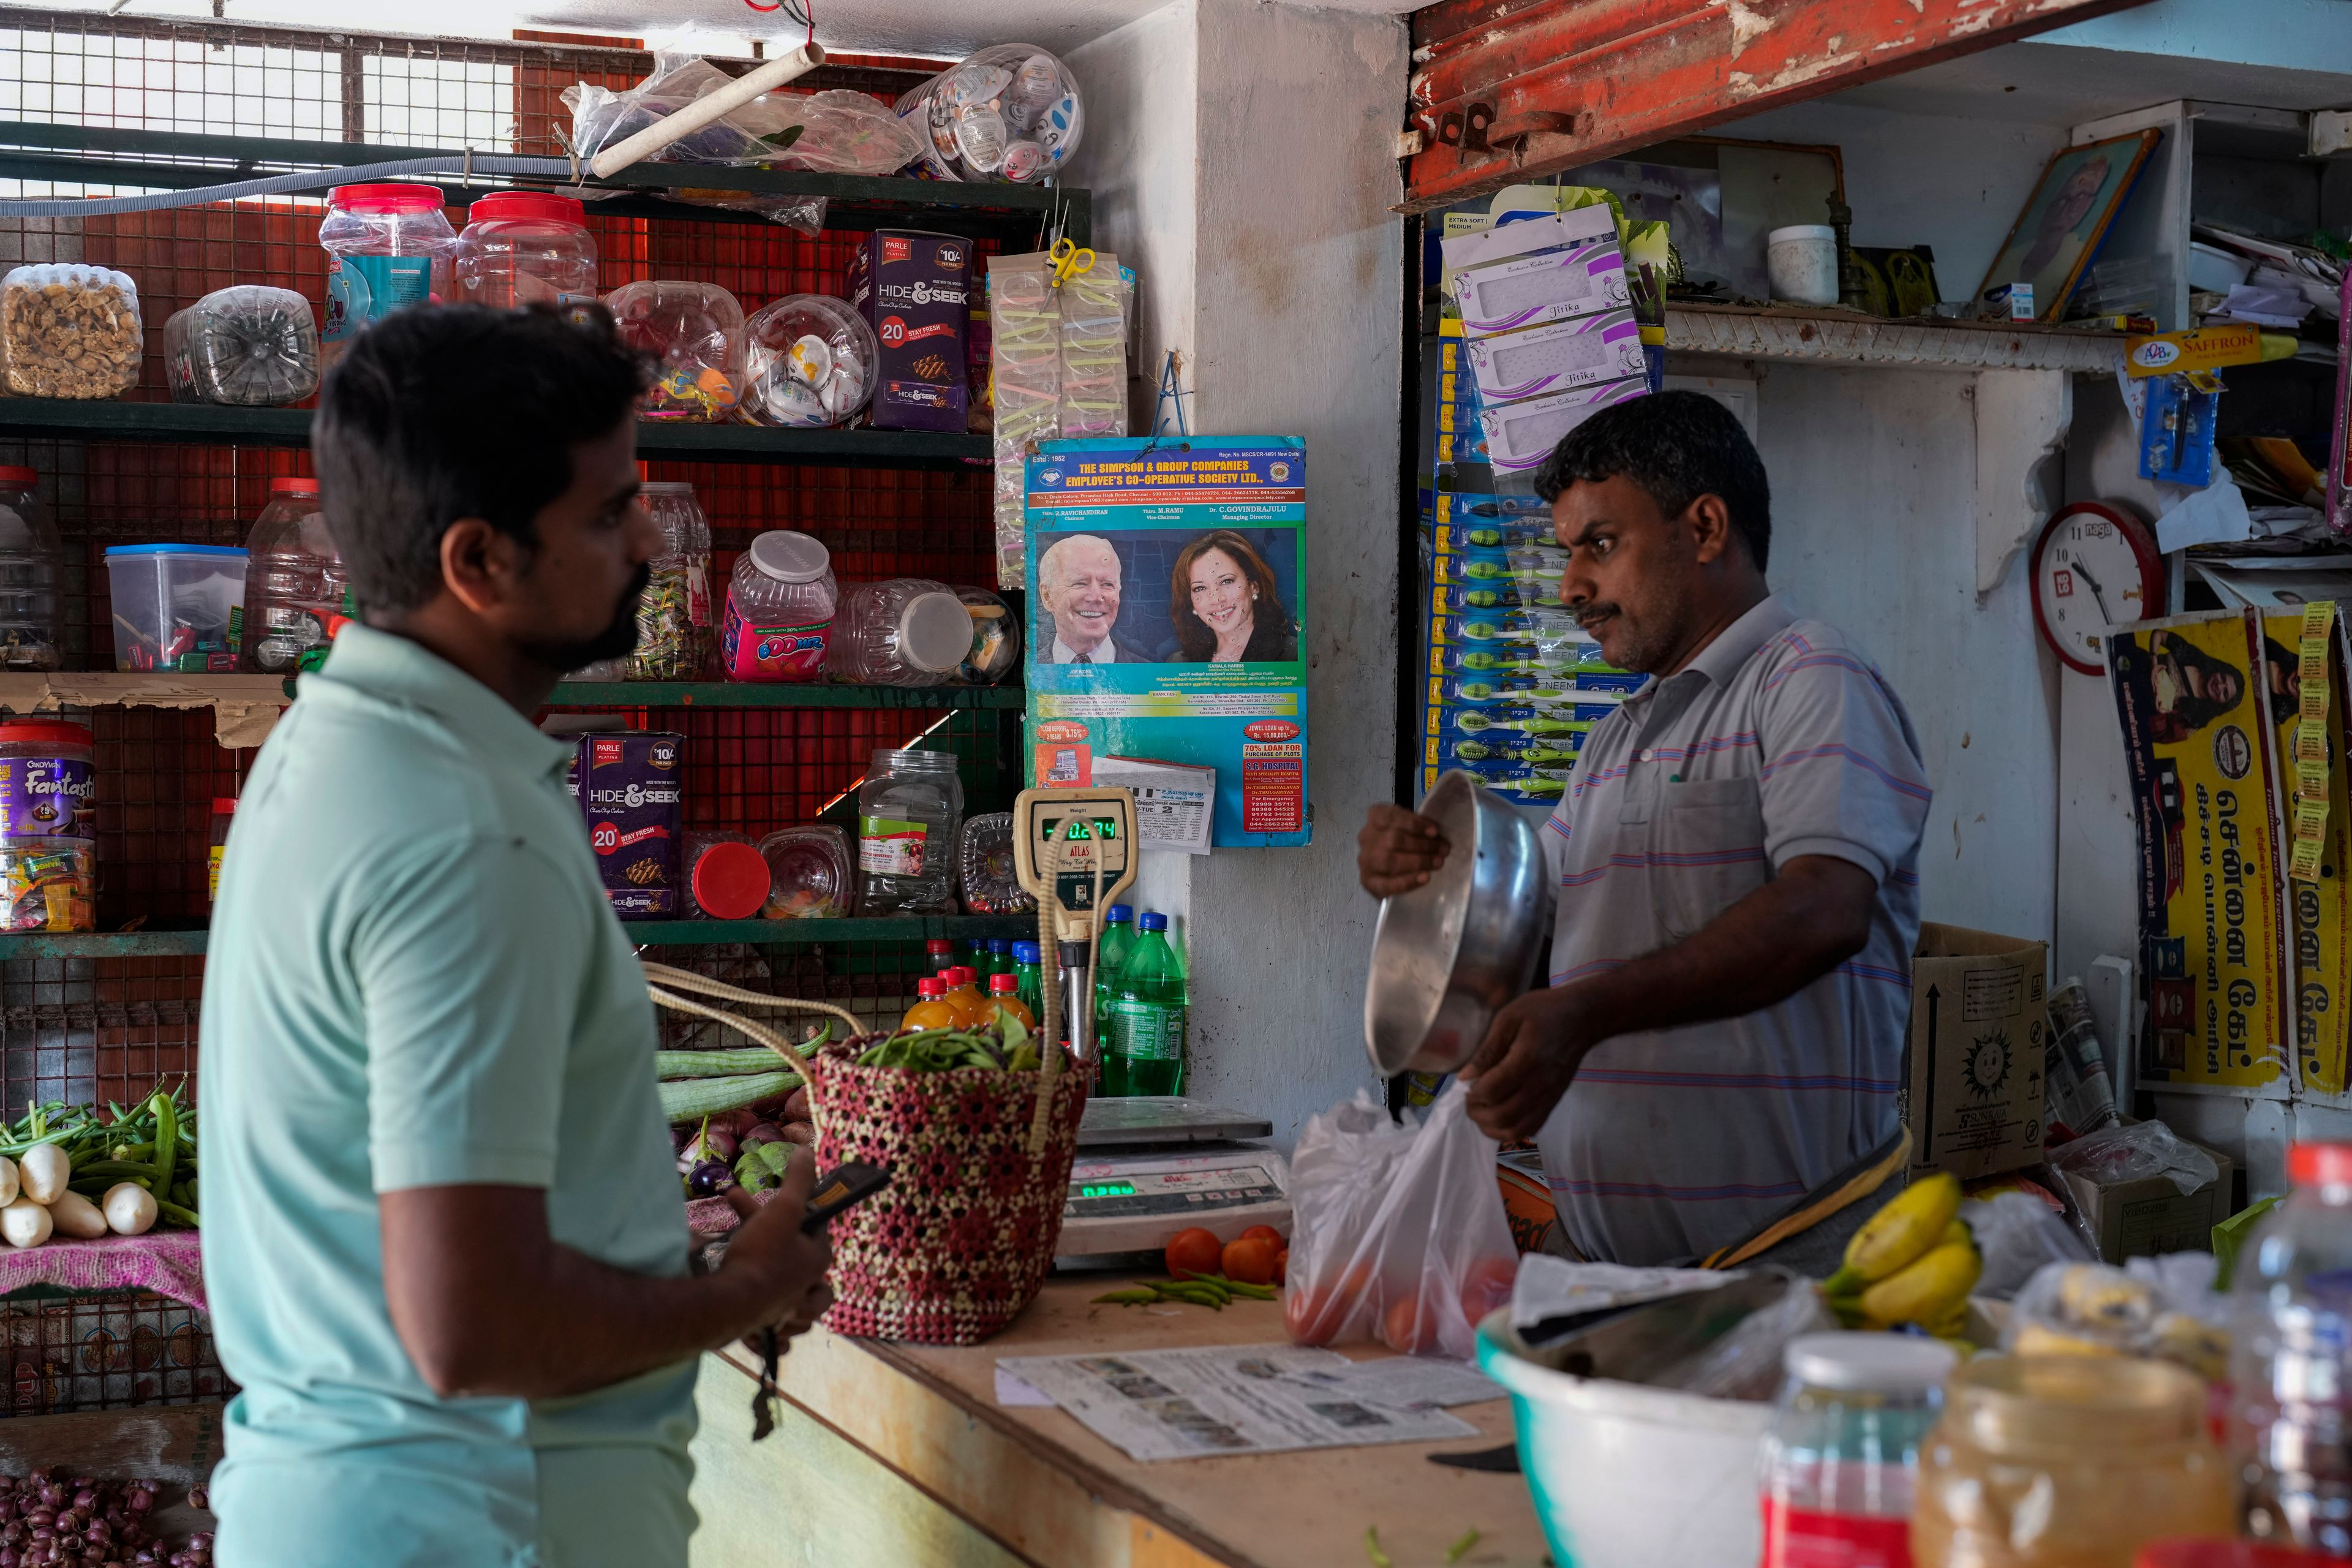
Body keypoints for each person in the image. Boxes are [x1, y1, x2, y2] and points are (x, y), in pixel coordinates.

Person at [200, 305, 836, 1568]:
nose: (649, 538)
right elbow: (471, 1326)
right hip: (476, 1521)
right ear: (479, 560)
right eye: (608, 514)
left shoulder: (337, 750)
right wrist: (739, 1291)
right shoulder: (458, 837)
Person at [1358, 391, 1932, 1268]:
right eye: (1566, 555)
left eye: (1599, 544)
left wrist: (1585, 1015)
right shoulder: (1614, 741)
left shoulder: (1810, 679)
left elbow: (1825, 911)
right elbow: (1526, 939)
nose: (1571, 587)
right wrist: (1430, 877)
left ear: (1703, 528)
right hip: (1609, 1269)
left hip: (1788, 1270)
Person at [1169, 529, 1297, 662]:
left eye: (1226, 581)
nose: (1217, 598)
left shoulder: (1292, 654)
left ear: (1254, 586)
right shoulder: (1178, 663)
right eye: (1200, 588)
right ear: (1192, 602)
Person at [1038, 532, 1155, 663]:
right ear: (1047, 596)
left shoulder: (1149, 674)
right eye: (1080, 583)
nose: (1096, 597)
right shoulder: (1028, 669)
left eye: (1107, 584)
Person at [2146, 627, 2247, 742]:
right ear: (2219, 670)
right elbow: (2158, 634)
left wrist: (2159, 712)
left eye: (2225, 693)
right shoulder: (2192, 656)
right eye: (2223, 678)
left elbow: (2161, 736)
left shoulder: (2197, 718)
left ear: (2222, 704)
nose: (2219, 686)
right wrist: (2154, 662)